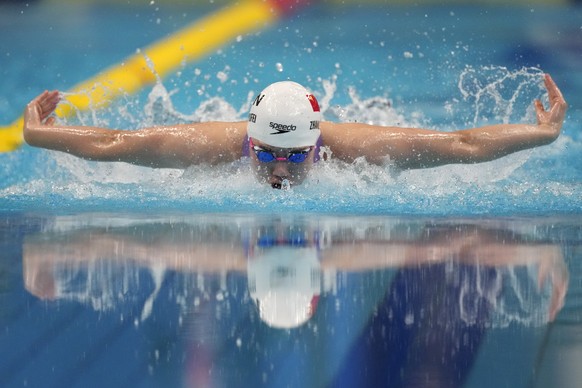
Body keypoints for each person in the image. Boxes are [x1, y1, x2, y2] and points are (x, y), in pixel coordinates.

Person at [23, 74, 567, 189]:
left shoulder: (352, 149)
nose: (281, 172)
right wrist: (37, 136)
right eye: (265, 157)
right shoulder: (217, 145)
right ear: (249, 141)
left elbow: (460, 146)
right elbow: (119, 143)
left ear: (315, 143)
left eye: (294, 158)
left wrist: (540, 134)